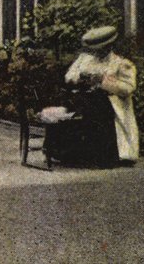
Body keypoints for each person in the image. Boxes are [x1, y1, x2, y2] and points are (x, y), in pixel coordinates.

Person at [48, 25, 138, 167]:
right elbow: (69, 76)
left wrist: (103, 81)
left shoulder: (121, 64)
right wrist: (81, 77)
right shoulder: (84, 59)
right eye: (96, 49)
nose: (98, 52)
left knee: (96, 114)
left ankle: (101, 156)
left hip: (109, 104)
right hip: (83, 100)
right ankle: (70, 153)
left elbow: (128, 88)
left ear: (110, 46)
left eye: (102, 48)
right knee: (75, 112)